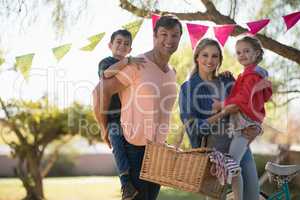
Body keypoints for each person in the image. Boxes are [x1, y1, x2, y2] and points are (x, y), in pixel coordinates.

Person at [93, 15, 182, 200]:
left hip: (158, 151)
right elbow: (100, 92)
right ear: (155, 36)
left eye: (175, 35)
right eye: (164, 34)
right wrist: (104, 128)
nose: (169, 40)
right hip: (134, 148)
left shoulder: (172, 72)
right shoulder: (137, 64)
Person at [179, 38, 261, 200]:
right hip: (214, 155)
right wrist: (222, 113)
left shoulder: (228, 81)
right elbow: (194, 127)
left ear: (220, 60)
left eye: (215, 56)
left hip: (240, 146)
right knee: (217, 197)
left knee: (251, 195)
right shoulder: (188, 88)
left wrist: (255, 128)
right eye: (205, 55)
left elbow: (248, 105)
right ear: (197, 57)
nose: (210, 60)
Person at [207, 35, 272, 200]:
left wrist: (221, 105)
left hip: (245, 124)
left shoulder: (252, 76)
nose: (242, 55)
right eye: (238, 52)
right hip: (243, 123)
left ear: (257, 53)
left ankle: (237, 197)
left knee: (231, 165)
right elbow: (242, 92)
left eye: (246, 51)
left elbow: (243, 99)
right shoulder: (247, 74)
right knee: (232, 165)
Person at [96, 29, 145, 200]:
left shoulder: (130, 64)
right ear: (110, 45)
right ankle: (126, 183)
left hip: (131, 114)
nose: (122, 46)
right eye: (118, 42)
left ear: (130, 48)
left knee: (131, 149)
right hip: (114, 116)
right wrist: (127, 60)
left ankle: (132, 179)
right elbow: (107, 74)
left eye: (126, 44)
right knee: (117, 146)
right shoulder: (107, 61)